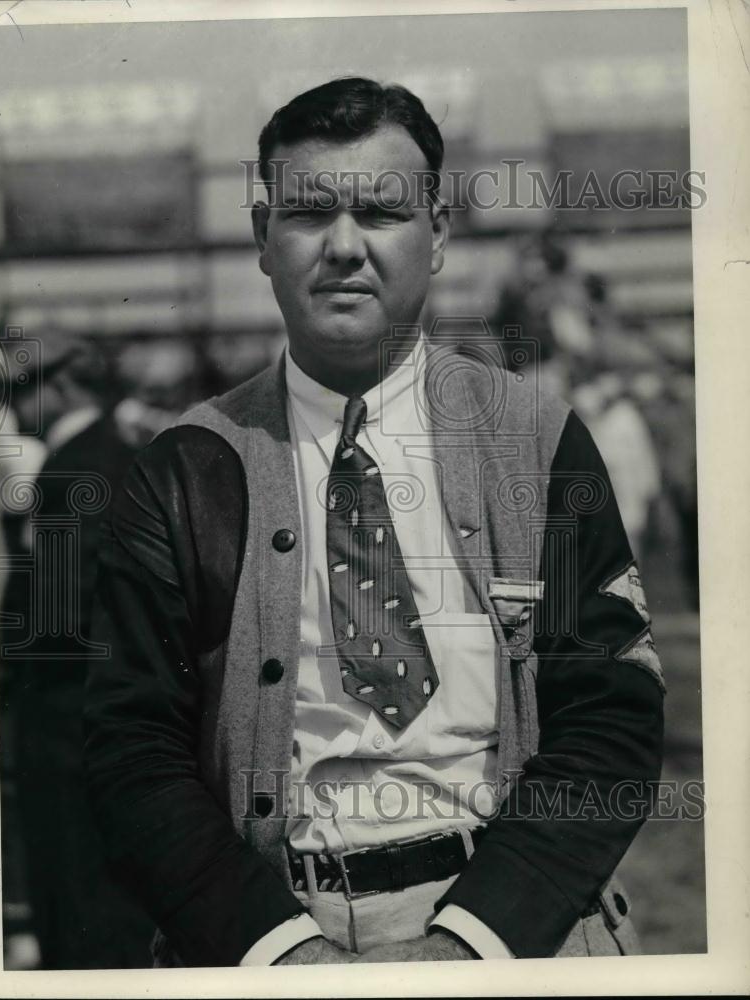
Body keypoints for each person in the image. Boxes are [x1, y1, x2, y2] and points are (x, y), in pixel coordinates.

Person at [83, 78, 665, 967]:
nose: (344, 247)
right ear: (261, 238)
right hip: (264, 936)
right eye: (309, 212)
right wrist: (278, 950)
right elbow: (129, 751)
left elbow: (612, 720)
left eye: (382, 213)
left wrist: (472, 942)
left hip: (518, 933)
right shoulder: (177, 472)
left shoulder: (535, 439)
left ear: (435, 236)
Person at [0, 329, 154, 968]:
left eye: (13, 387)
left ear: (60, 383)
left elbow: (65, 608)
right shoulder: (115, 454)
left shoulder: (74, 468)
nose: (6, 404)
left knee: (75, 904)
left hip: (64, 721)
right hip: (102, 715)